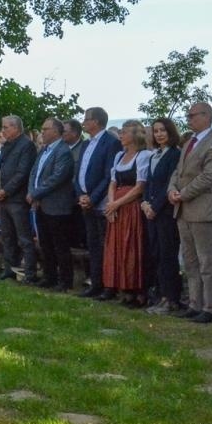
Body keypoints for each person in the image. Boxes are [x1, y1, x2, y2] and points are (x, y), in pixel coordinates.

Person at [171, 101, 212, 323]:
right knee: (190, 261)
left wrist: (182, 193)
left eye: (192, 115)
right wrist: (172, 190)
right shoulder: (189, 143)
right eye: (188, 115)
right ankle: (194, 303)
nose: (189, 119)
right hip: (184, 210)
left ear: (207, 116)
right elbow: (178, 172)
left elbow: (209, 177)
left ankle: (211, 306)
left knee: (208, 262)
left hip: (204, 210)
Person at [100, 120, 149, 305]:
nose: (121, 135)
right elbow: (113, 183)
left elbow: (139, 187)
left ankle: (135, 288)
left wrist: (117, 203)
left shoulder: (143, 156)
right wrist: (111, 203)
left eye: (125, 132)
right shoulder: (119, 156)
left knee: (131, 246)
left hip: (131, 207)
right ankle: (120, 286)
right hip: (117, 207)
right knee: (117, 246)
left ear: (135, 135)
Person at [73, 107, 118, 298]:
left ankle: (108, 286)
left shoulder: (111, 142)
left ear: (97, 121)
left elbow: (109, 175)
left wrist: (93, 198)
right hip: (85, 201)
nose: (83, 122)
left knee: (104, 245)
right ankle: (95, 283)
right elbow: (79, 172)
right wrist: (81, 195)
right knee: (92, 245)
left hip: (100, 203)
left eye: (87, 119)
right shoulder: (86, 144)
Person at [28, 117, 76, 291]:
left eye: (45, 129)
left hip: (57, 206)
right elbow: (34, 173)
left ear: (56, 131)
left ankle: (65, 280)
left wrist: (35, 193)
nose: (42, 132)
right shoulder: (44, 150)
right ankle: (49, 276)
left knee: (60, 245)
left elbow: (57, 178)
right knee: (46, 244)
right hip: (42, 204)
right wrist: (31, 191)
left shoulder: (63, 151)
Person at [142, 118, 183, 313]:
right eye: (156, 131)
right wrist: (144, 203)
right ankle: (160, 295)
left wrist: (155, 207)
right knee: (156, 254)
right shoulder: (154, 156)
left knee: (168, 255)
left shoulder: (175, 154)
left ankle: (171, 297)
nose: (159, 134)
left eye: (163, 130)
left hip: (165, 212)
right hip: (151, 211)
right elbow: (149, 182)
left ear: (171, 132)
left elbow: (169, 183)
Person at [0, 114, 38, 283]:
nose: (2, 131)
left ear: (16, 128)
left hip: (17, 198)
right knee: (7, 236)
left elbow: (22, 173)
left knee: (23, 237)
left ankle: (29, 272)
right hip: (3, 197)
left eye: (6, 127)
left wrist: (6, 190)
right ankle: (10, 268)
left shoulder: (26, 145)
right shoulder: (7, 145)